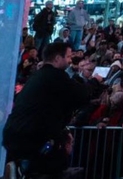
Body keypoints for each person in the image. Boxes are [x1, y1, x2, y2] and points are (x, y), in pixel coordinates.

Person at [3, 42, 95, 177]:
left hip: (17, 136)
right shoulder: (55, 76)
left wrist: (63, 130)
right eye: (68, 57)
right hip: (33, 139)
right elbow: (80, 95)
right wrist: (94, 82)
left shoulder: (37, 77)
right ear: (58, 58)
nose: (71, 61)